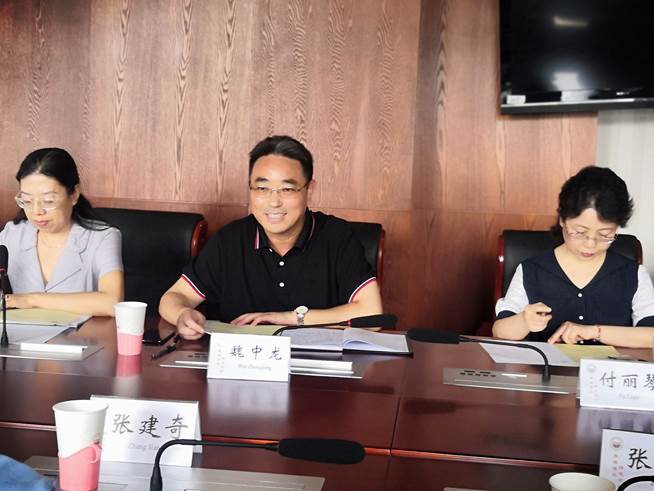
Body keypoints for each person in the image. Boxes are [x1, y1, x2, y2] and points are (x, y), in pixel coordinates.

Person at [159, 135, 383, 340]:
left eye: (287, 189)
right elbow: (173, 297)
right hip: (242, 365)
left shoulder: (336, 237)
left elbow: (372, 315)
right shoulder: (230, 240)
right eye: (262, 188)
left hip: (318, 367)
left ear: (310, 190)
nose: (274, 202)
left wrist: (289, 319)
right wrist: (183, 314)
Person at [492, 166, 654, 348]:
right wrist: (524, 321)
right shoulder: (531, 270)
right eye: (579, 232)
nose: (590, 244)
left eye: (605, 234)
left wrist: (595, 331)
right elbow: (500, 330)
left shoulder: (633, 274)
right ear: (562, 220)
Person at [0, 148, 123, 316]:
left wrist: (31, 300)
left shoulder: (102, 237)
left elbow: (112, 303)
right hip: (20, 332)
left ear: (74, 194)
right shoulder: (12, 234)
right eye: (27, 201)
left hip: (82, 332)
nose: (36, 211)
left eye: (48, 201)